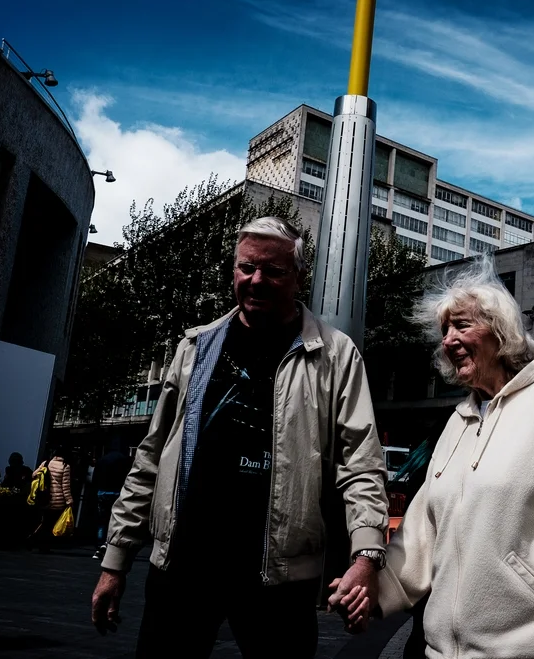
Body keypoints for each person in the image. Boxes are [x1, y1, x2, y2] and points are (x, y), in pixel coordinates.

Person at [89, 217, 390, 658]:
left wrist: (366, 558)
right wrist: (115, 562)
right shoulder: (196, 348)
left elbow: (362, 464)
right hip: (183, 568)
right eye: (246, 268)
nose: (256, 280)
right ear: (233, 269)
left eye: (273, 271)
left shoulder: (336, 355)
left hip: (279, 579)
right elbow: (151, 460)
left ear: (299, 276)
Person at [333, 256, 534, 658]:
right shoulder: (458, 421)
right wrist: (369, 592)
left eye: (462, 325)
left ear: (500, 331)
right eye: (444, 330)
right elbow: (421, 534)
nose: (448, 340)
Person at [91, 447, 131, 560]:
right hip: (117, 492)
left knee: (102, 520)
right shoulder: (124, 460)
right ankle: (112, 544)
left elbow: (95, 478)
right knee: (116, 519)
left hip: (103, 491)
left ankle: (99, 545)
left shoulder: (102, 460)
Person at [30, 451, 73, 552]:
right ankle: (43, 545)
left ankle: (37, 541)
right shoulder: (65, 466)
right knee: (50, 524)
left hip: (44, 497)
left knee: (44, 521)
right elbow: (65, 486)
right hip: (57, 500)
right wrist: (69, 500)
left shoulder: (46, 462)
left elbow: (34, 475)